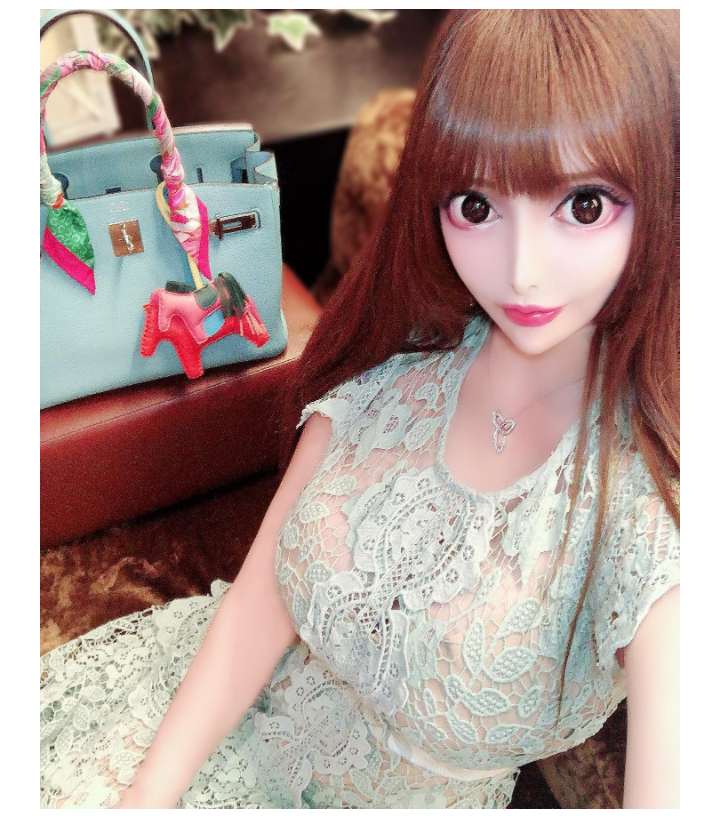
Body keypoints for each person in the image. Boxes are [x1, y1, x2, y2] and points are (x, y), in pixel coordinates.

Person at [40, 9, 679, 809]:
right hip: (189, 719)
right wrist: (148, 798)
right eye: (475, 206)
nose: (522, 271)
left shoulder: (655, 513)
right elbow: (257, 603)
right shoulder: (399, 357)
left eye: (583, 206)